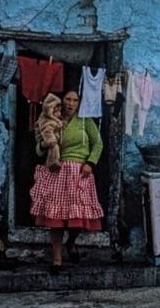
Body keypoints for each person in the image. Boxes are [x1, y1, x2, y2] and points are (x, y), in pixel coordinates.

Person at [29, 89, 104, 273]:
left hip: (79, 172)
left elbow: (98, 144)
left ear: (79, 103)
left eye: (75, 100)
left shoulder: (85, 121)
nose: (70, 104)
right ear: (61, 101)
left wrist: (90, 162)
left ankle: (71, 242)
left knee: (77, 217)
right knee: (55, 218)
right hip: (56, 171)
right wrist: (45, 144)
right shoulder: (51, 121)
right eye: (67, 100)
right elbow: (38, 150)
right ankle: (57, 260)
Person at [34, 92, 65, 170]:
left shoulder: (56, 119)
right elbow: (47, 130)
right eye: (56, 111)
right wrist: (50, 140)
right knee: (54, 148)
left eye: (59, 111)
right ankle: (52, 162)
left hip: (53, 139)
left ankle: (54, 161)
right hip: (48, 139)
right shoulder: (46, 120)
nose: (58, 113)